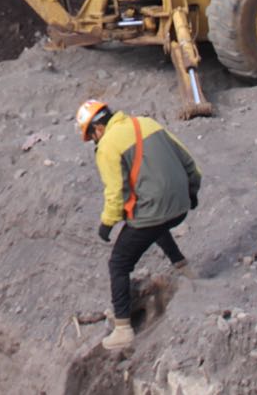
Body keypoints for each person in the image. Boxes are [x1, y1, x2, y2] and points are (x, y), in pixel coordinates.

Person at [76, 99, 202, 351]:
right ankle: (185, 268)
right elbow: (188, 160)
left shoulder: (107, 146)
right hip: (180, 206)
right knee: (152, 223)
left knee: (119, 263)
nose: (94, 142)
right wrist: (192, 190)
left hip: (155, 212)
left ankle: (123, 329)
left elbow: (115, 192)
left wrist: (107, 224)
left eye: (92, 137)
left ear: (96, 130)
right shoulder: (147, 123)